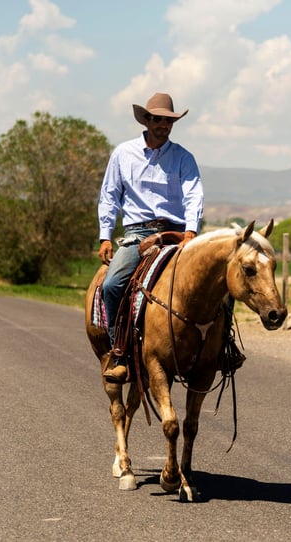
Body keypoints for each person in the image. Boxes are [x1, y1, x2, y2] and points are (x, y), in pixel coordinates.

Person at [98, 92, 204, 383]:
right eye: (158, 120)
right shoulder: (123, 154)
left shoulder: (183, 157)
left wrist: (191, 231)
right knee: (112, 284)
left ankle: (223, 349)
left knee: (218, 275)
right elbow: (110, 196)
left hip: (176, 232)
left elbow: (193, 194)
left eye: (169, 121)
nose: (164, 126)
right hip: (138, 233)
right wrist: (105, 236)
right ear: (146, 120)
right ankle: (119, 351)